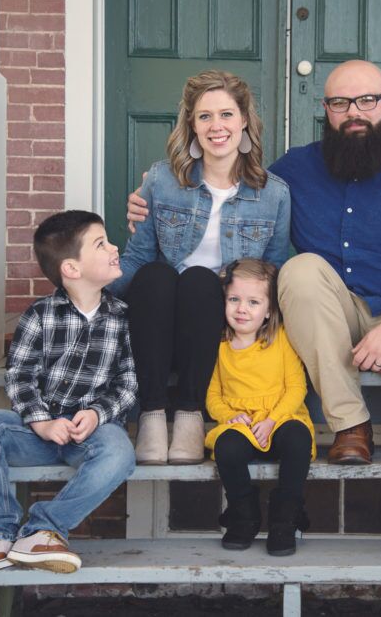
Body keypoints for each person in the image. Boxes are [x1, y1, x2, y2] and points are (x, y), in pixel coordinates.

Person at [129, 59, 381, 570]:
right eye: (341, 103)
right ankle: (351, 425)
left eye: (366, 100)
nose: (354, 113)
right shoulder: (293, 171)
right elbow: (229, 180)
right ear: (326, 111)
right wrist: (151, 195)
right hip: (329, 319)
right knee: (299, 270)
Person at [109, 70, 291, 467]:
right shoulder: (162, 179)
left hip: (220, 326)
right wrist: (91, 293)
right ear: (191, 125)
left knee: (199, 281)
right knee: (156, 275)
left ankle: (190, 415)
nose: (216, 126)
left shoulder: (273, 194)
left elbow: (273, 270)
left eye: (226, 115)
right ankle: (153, 414)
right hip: (159, 323)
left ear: (244, 121)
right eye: (204, 116)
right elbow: (139, 256)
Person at [0, 210, 138, 574]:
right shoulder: (40, 315)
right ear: (71, 269)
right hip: (38, 434)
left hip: (90, 434)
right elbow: (20, 376)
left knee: (120, 453)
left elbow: (128, 381)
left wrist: (98, 413)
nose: (114, 247)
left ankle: (44, 530)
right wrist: (40, 421)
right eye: (101, 244)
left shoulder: (122, 317)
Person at [206, 258, 314, 556]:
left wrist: (273, 420)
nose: (242, 309)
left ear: (268, 311)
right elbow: (213, 396)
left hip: (279, 419)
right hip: (242, 424)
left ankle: (285, 518)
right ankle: (243, 514)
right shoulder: (220, 346)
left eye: (253, 302)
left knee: (297, 439)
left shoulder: (281, 341)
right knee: (227, 448)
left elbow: (296, 388)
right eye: (234, 299)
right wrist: (231, 417)